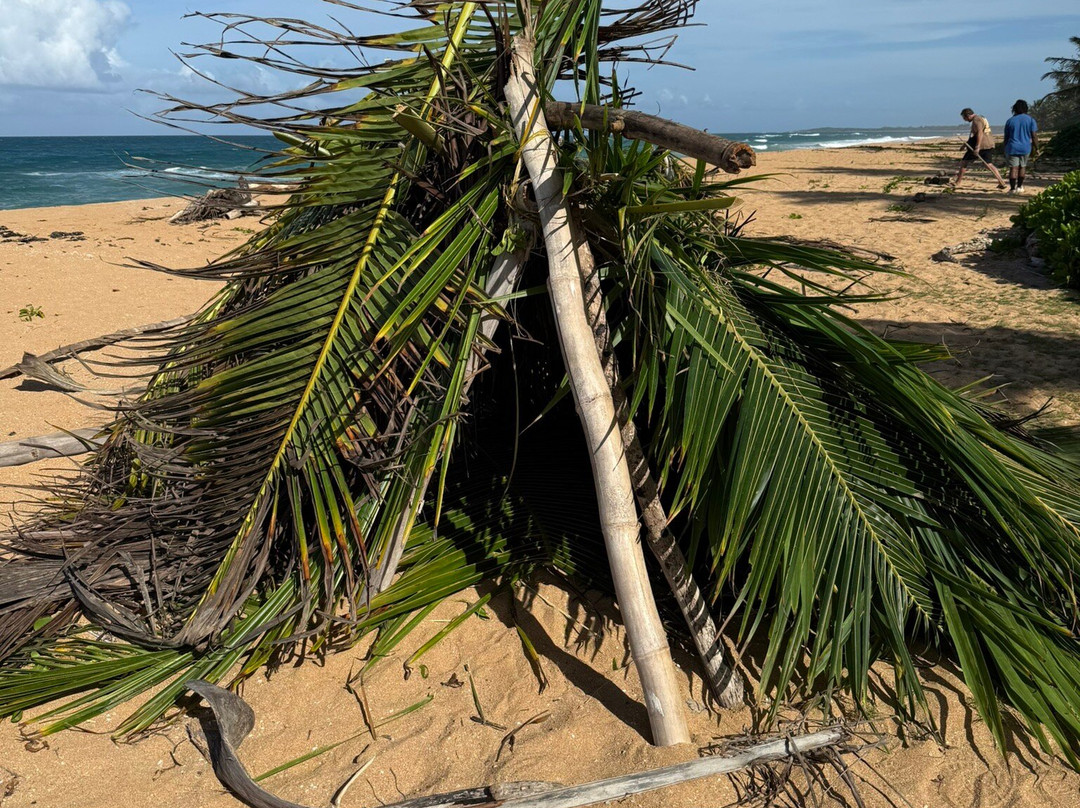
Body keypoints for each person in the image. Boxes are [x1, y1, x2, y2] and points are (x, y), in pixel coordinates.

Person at [953, 108, 1006, 189]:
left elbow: (980, 133)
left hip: (982, 145)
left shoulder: (976, 120)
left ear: (967, 115)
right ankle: (1001, 181)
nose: (964, 120)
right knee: (988, 164)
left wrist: (977, 147)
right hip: (988, 144)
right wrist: (965, 145)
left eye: (964, 118)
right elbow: (974, 135)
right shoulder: (980, 118)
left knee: (964, 162)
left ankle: (958, 182)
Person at [1003, 99, 1039, 194]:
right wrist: (1037, 147)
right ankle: (1019, 187)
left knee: (1013, 168)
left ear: (1014, 109)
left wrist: (1005, 148)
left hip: (1012, 147)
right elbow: (1034, 135)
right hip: (1025, 147)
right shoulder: (1030, 120)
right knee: (1022, 167)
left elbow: (1006, 137)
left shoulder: (1010, 121)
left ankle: (1012, 189)